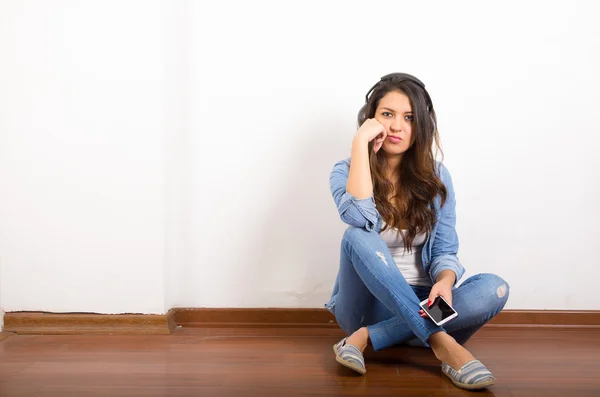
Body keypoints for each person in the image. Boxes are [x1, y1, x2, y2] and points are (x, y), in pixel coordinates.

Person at [324, 73, 509, 391]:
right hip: (366, 306)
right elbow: (357, 217)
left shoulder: (437, 177)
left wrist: (445, 282)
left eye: (408, 117)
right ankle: (440, 342)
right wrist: (360, 146)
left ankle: (370, 337)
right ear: (370, 119)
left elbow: (445, 249)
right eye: (387, 114)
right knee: (356, 236)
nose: (396, 126)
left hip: (426, 303)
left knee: (493, 288)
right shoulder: (346, 170)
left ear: (422, 125)